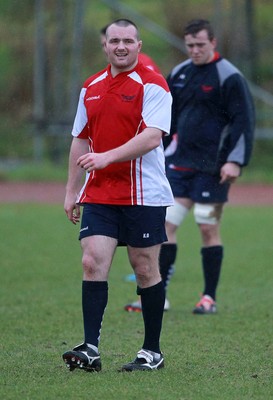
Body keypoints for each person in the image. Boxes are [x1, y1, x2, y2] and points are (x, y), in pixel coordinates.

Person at [62, 18, 174, 372]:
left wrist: (106, 156)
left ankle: (151, 351)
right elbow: (80, 138)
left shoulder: (153, 84)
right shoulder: (90, 86)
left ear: (139, 45)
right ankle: (90, 348)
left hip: (144, 193)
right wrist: (71, 190)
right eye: (115, 41)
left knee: (144, 268)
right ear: (105, 46)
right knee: (91, 261)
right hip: (99, 192)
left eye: (128, 40)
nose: (121, 46)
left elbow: (153, 136)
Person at [125, 18, 255, 315]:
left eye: (200, 44)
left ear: (213, 43)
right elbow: (165, 116)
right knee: (166, 226)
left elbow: (243, 121)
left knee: (208, 228)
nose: (194, 50)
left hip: (215, 167)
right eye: (190, 45)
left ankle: (208, 298)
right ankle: (160, 295)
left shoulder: (229, 76)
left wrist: (235, 160)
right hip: (180, 164)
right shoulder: (180, 73)